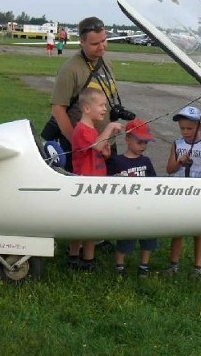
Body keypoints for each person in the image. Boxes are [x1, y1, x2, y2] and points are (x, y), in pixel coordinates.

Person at [49, 16, 124, 172]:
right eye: (95, 44)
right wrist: (77, 145)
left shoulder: (106, 62)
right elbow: (58, 109)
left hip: (106, 145)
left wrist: (105, 141)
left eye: (104, 40)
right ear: (81, 42)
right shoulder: (70, 69)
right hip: (83, 151)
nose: (102, 47)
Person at [68, 87, 123, 271]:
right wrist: (109, 128)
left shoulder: (91, 130)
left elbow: (96, 151)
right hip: (87, 185)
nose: (105, 109)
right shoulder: (82, 130)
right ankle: (85, 260)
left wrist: (105, 154)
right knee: (88, 225)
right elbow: (96, 146)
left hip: (94, 182)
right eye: (101, 105)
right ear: (86, 108)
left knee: (86, 223)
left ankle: (76, 257)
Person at [163, 106, 201, 278]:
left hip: (199, 194)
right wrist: (179, 161)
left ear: (200, 127)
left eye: (189, 128)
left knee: (199, 231)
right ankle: (173, 264)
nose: (185, 132)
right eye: (182, 128)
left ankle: (197, 267)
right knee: (178, 230)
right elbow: (169, 169)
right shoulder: (177, 144)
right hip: (178, 192)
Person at [107, 118, 157, 277]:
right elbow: (109, 182)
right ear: (127, 139)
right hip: (126, 207)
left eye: (145, 143)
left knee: (148, 236)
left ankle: (144, 265)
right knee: (126, 237)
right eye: (139, 141)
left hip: (145, 207)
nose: (143, 146)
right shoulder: (117, 161)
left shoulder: (146, 161)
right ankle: (119, 265)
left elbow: (154, 182)